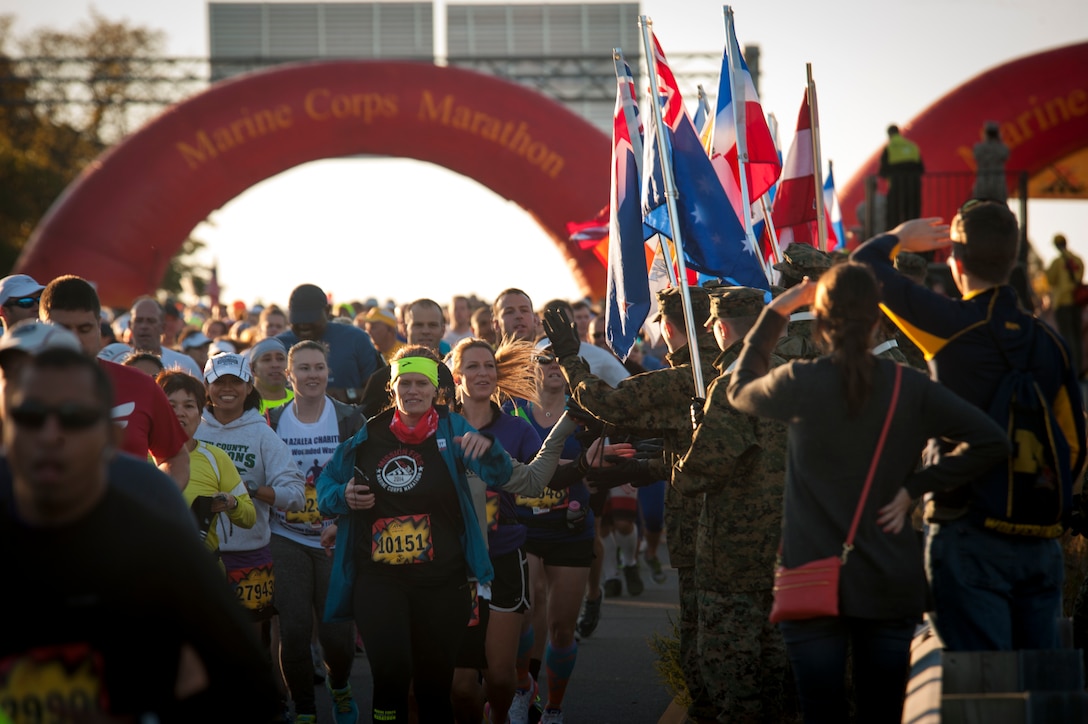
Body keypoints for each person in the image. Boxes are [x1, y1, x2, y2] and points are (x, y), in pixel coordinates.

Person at [727, 263, 1009, 723]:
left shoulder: (800, 381)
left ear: (820, 323)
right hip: (889, 579)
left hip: (810, 574)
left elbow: (738, 389)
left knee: (822, 714)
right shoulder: (910, 385)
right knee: (882, 714)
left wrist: (779, 308)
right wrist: (916, 487)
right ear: (878, 320)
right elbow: (992, 440)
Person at [0, 347, 281, 720]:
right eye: (31, 414)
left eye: (74, 416)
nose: (52, 434)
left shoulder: (155, 532)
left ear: (105, 428)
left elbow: (250, 686)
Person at [853, 205, 1086, 652]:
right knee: (1039, 688)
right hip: (1040, 541)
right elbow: (1075, 445)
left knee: (979, 687)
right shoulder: (1051, 344)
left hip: (968, 530)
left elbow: (866, 266)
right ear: (1014, 260)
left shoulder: (949, 325)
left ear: (956, 265)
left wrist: (899, 234)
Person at [541, 285, 720, 722]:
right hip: (729, 532)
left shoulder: (689, 377)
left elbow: (610, 404)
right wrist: (646, 466)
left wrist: (568, 356)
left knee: (712, 660)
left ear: (671, 328)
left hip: (710, 533)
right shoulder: (730, 371)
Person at [317, 345, 514, 723]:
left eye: (421, 383)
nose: (413, 391)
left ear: (435, 389)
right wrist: (341, 495)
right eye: (403, 383)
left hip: (442, 581)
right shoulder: (368, 435)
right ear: (391, 389)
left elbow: (499, 474)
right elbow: (327, 484)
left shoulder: (453, 428)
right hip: (380, 579)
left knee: (433, 686)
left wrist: (488, 450)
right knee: (391, 672)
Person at [266, 340, 364, 724]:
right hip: (285, 537)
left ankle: (340, 686)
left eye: (318, 367)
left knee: (338, 636)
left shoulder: (349, 419)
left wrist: (342, 522)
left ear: (328, 372)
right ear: (290, 375)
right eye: (303, 368)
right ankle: (304, 707)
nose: (312, 375)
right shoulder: (272, 421)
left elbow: (362, 475)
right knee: (293, 630)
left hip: (334, 537)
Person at [40, 275, 191, 489]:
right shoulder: (13, 387)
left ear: (99, 327)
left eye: (85, 329)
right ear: (41, 327)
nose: (74, 339)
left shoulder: (141, 386)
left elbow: (176, 458)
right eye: (63, 329)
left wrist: (155, 504)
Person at [195, 353, 306, 639]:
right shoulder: (192, 428)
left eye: (236, 381)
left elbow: (295, 495)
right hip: (197, 554)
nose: (228, 388)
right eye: (220, 382)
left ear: (248, 387)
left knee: (250, 643)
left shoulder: (262, 434)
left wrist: (251, 491)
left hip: (249, 555)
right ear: (206, 386)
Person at [157, 369, 256, 555]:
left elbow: (249, 517)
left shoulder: (216, 457)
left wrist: (232, 503)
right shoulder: (138, 456)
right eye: (171, 406)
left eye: (188, 406)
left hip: (202, 571)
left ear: (200, 414)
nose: (180, 414)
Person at [276, 283, 382, 405]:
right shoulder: (278, 346)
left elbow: (377, 391)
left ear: (327, 311)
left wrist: (346, 394)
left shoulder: (356, 339)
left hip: (348, 420)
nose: (304, 325)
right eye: (298, 319)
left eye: (310, 318)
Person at [128, 296, 203, 377]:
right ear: (129, 325)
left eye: (151, 321)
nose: (144, 326)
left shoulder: (185, 364)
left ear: (163, 327)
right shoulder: (116, 361)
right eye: (138, 320)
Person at [1045, 233, 1084, 375]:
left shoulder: (1057, 262)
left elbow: (1050, 280)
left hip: (1063, 302)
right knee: (1077, 336)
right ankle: (1079, 368)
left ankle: (1070, 369)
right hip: (1077, 302)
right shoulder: (1078, 260)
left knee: (1067, 336)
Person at [879, 124, 925, 229]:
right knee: (913, 216)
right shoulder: (912, 146)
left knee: (894, 218)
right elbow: (921, 168)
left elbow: (883, 172)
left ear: (889, 134)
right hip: (914, 186)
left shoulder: (889, 148)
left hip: (896, 188)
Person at [249, 336, 294, 414]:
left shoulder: (298, 400)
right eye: (267, 360)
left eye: (280, 359)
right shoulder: (244, 404)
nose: (275, 365)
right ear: (252, 369)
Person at [973, 121, 1010, 203]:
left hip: (983, 182)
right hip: (998, 183)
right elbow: (1005, 155)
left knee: (981, 205)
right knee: (999, 205)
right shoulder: (1002, 148)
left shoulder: (978, 148)